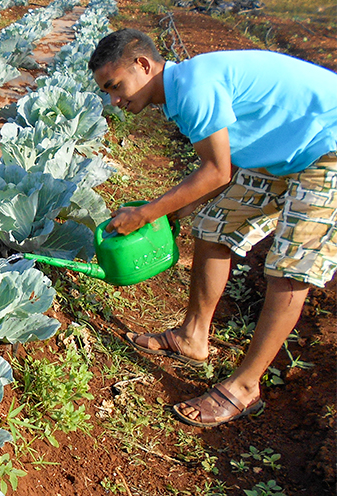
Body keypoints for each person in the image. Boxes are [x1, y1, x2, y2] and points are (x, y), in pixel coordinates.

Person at [88, 29, 337, 427]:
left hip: (328, 147)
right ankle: (193, 337)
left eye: (115, 86)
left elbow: (217, 171)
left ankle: (244, 387)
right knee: (212, 227)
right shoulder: (183, 90)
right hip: (285, 151)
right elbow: (226, 165)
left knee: (291, 268)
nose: (114, 100)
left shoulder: (192, 87)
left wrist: (148, 213)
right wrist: (175, 213)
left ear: (143, 65)